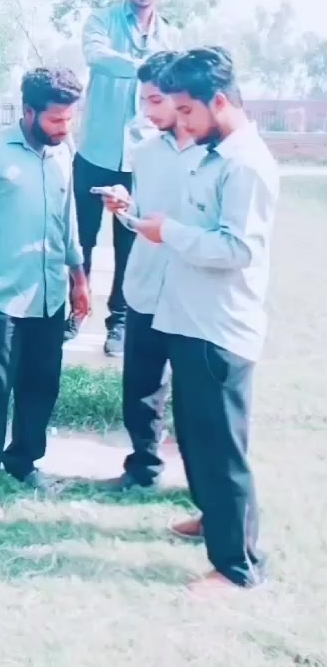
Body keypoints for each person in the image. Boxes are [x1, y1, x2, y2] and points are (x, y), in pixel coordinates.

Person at [133, 47, 279, 592]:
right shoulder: (212, 154)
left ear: (219, 102)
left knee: (222, 450)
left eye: (187, 111)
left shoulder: (246, 165)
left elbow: (238, 248)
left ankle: (238, 566)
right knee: (197, 438)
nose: (183, 123)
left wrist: (168, 232)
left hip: (219, 328)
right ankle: (214, 519)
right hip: (187, 319)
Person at [0, 67, 90, 519]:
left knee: (42, 384)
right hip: (1, 296)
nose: (64, 127)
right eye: (56, 119)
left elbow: (69, 220)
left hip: (50, 291)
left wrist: (79, 279)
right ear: (29, 112)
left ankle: (23, 461)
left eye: (69, 119)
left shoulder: (62, 152)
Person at [67, 0, 179, 357]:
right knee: (80, 238)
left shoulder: (171, 36)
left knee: (131, 243)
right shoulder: (102, 21)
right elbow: (97, 57)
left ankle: (119, 322)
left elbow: (172, 86)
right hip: (95, 152)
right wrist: (147, 67)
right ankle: (74, 312)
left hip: (142, 159)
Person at [99, 51, 204, 490]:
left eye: (156, 100)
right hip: (144, 288)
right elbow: (142, 218)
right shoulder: (144, 152)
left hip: (192, 293)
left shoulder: (212, 153)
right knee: (141, 388)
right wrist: (124, 207)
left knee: (197, 396)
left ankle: (202, 486)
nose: (147, 111)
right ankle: (143, 469)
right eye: (143, 100)